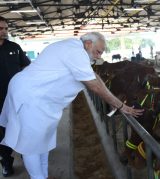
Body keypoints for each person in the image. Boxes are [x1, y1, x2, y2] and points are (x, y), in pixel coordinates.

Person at [0, 32, 144, 179]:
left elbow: (94, 77)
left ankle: (41, 176)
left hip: (41, 99)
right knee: (31, 146)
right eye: (98, 51)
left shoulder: (75, 48)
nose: (99, 56)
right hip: (31, 97)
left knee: (43, 143)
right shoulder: (76, 52)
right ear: (88, 44)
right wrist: (120, 106)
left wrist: (114, 101)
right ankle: (37, 176)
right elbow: (94, 86)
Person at [0, 16, 31, 177]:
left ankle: (27, 156)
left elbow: (26, 65)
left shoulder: (14, 47)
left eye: (6, 28)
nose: (4, 31)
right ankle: (6, 162)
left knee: (22, 128)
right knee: (2, 133)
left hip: (17, 97)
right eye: (1, 29)